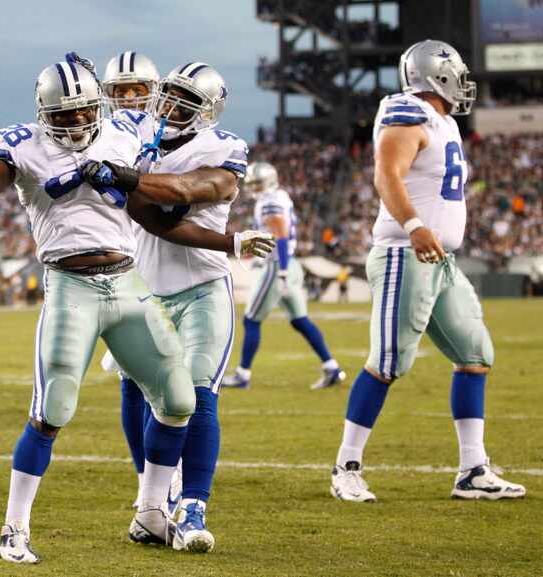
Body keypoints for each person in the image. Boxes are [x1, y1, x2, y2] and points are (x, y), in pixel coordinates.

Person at [0, 60, 269, 564]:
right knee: (52, 411)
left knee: (181, 399)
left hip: (127, 284)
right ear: (45, 112)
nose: (76, 124)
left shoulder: (118, 139)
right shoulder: (24, 144)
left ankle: (154, 512)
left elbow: (156, 222)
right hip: (71, 287)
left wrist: (228, 241)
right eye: (66, 115)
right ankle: (14, 528)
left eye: (83, 112)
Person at [329, 40, 525, 502]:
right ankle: (346, 467)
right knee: (387, 362)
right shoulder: (406, 111)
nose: (463, 82)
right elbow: (386, 175)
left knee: (475, 354)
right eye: (456, 72)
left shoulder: (446, 122)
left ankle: (472, 469)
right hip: (405, 252)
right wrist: (414, 225)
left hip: (440, 260)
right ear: (436, 74)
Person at [84, 62, 265, 553]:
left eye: (184, 101)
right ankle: (151, 505)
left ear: (206, 112)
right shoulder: (132, 135)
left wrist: (127, 177)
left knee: (199, 392)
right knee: (137, 391)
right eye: (168, 96)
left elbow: (189, 190)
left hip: (203, 287)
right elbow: (153, 220)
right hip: (143, 288)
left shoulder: (224, 147)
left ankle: (192, 508)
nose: (169, 108)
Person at [222, 162, 345, 390]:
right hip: (289, 262)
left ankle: (242, 374)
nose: (253, 188)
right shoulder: (281, 196)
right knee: (300, 320)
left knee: (251, 320)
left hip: (277, 265)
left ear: (268, 181)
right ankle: (332, 367)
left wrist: (283, 272)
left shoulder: (269, 202)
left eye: (257, 184)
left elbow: (281, 235)